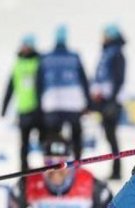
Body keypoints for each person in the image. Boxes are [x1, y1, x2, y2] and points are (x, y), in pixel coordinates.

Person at [36, 24, 91, 161]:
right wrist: (88, 102)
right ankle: (77, 163)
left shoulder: (46, 57)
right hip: (73, 104)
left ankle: (52, 165)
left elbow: (39, 83)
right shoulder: (74, 56)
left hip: (52, 104)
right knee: (76, 134)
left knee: (53, 137)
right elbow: (84, 80)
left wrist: (39, 104)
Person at [0, 34, 43, 172]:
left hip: (39, 110)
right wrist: (4, 108)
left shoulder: (39, 61)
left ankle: (48, 169)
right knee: (24, 144)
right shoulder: (17, 64)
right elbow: (10, 87)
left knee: (44, 142)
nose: (24, 48)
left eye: (27, 45)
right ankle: (24, 171)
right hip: (23, 110)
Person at [90, 23, 126, 179]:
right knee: (109, 136)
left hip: (111, 102)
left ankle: (117, 170)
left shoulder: (117, 54)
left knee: (111, 136)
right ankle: (115, 169)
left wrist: (112, 101)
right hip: (104, 101)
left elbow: (119, 79)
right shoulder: (108, 53)